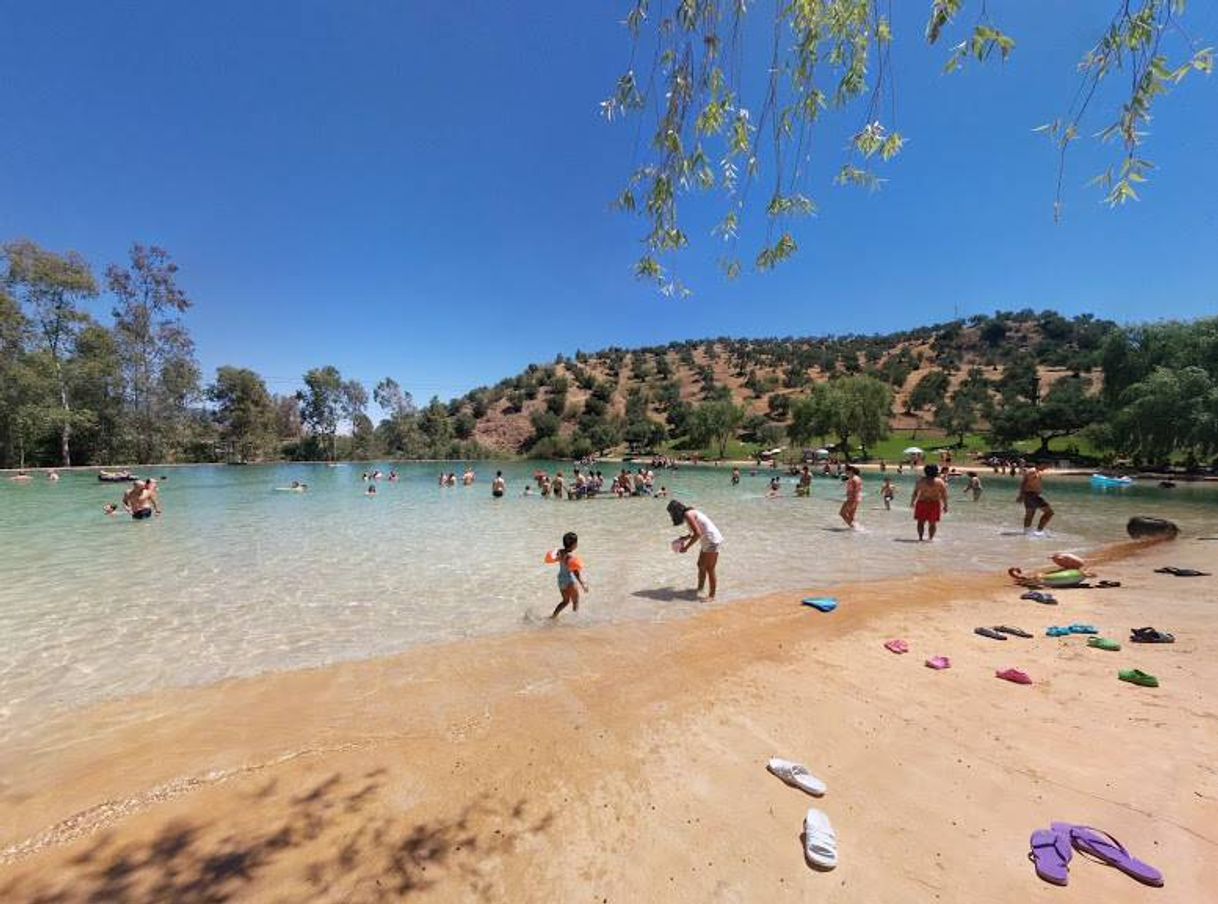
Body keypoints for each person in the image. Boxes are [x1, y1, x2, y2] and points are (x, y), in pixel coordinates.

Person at [668, 499, 723, 602]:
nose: (671, 516)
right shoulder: (688, 514)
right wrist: (684, 538)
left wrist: (686, 547)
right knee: (700, 565)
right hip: (707, 540)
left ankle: (712, 596)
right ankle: (700, 589)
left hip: (712, 540)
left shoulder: (689, 515)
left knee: (710, 568)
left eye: (671, 514)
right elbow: (697, 531)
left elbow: (697, 533)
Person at [549, 531, 588, 619]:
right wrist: (583, 583)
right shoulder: (570, 557)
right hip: (569, 580)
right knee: (576, 601)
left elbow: (553, 556)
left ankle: (553, 616)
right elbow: (575, 572)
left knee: (565, 601)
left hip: (561, 580)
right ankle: (575, 619)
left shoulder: (560, 552)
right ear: (574, 545)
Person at [911, 464, 949, 541]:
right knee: (932, 522)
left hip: (922, 502)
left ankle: (920, 538)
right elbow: (944, 495)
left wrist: (912, 502)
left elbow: (915, 492)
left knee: (920, 522)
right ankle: (930, 539)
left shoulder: (921, 481)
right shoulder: (940, 482)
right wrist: (945, 506)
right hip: (934, 503)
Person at [1017, 464, 1054, 534]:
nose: (1046, 468)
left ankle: (1028, 532)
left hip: (1033, 495)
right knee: (1049, 512)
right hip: (1031, 495)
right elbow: (1024, 482)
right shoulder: (1032, 471)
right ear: (1041, 464)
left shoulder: (1036, 471)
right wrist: (1021, 495)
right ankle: (1038, 531)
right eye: (1045, 466)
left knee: (1030, 514)